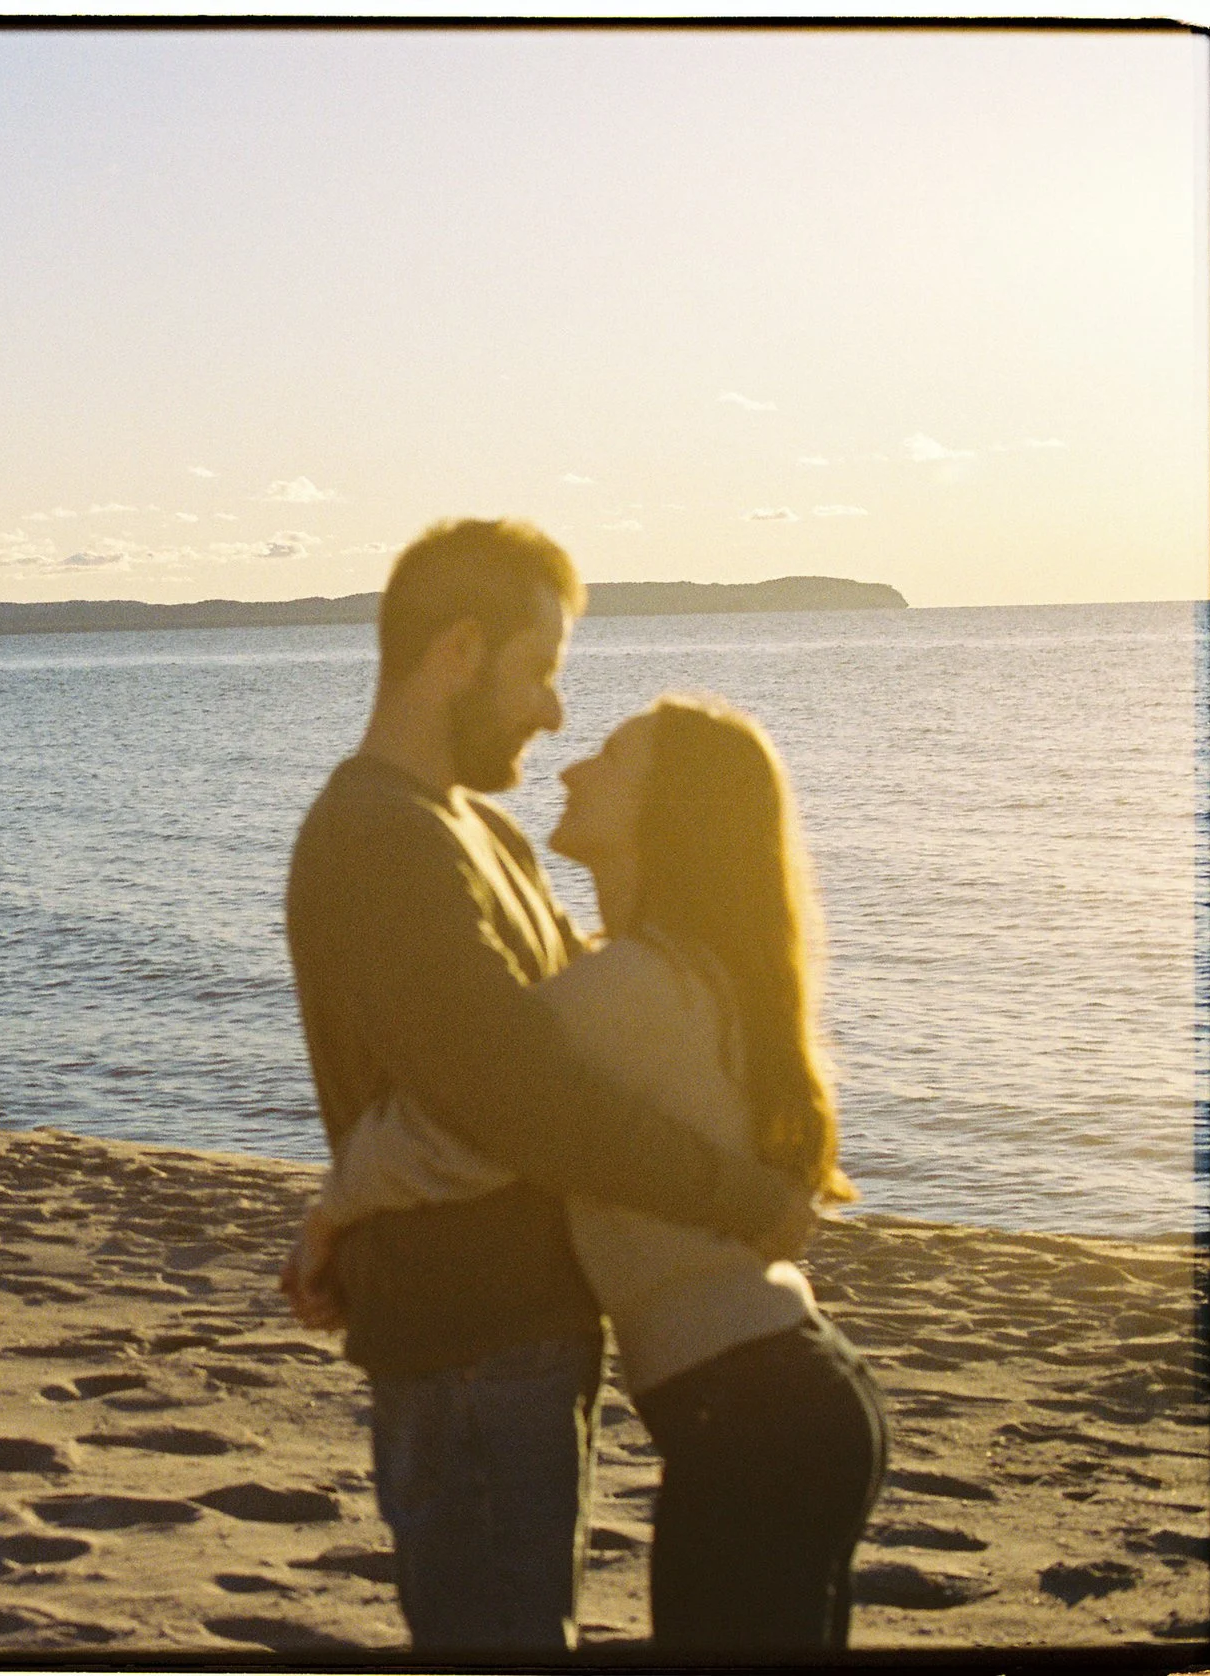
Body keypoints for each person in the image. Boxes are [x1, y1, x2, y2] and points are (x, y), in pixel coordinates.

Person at [278, 518, 818, 1655]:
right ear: (460, 651)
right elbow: (520, 1097)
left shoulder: (489, 836)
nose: (554, 714)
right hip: (464, 1341)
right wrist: (742, 1198)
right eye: (540, 672)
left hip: (529, 1337)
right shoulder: (377, 835)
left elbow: (600, 1027)